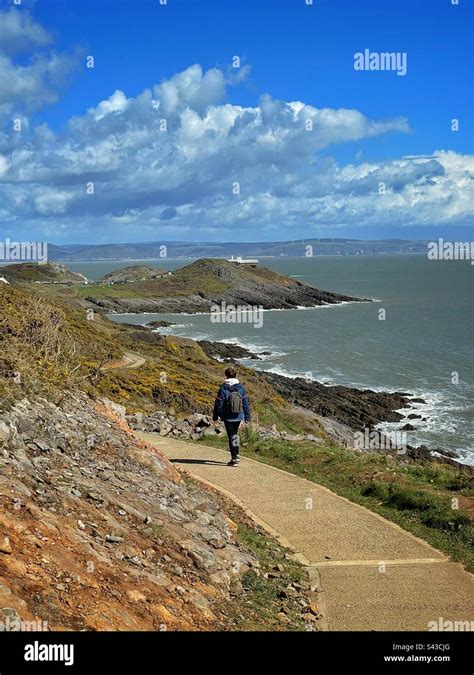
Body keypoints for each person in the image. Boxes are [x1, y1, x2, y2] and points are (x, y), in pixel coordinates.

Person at [212, 366, 251, 466]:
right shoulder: (241, 388)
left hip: (228, 416)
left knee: (231, 436)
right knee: (235, 435)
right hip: (238, 415)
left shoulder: (223, 388)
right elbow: (246, 403)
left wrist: (216, 417)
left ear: (226, 375)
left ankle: (234, 458)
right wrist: (247, 417)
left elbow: (218, 403)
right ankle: (236, 455)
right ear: (235, 375)